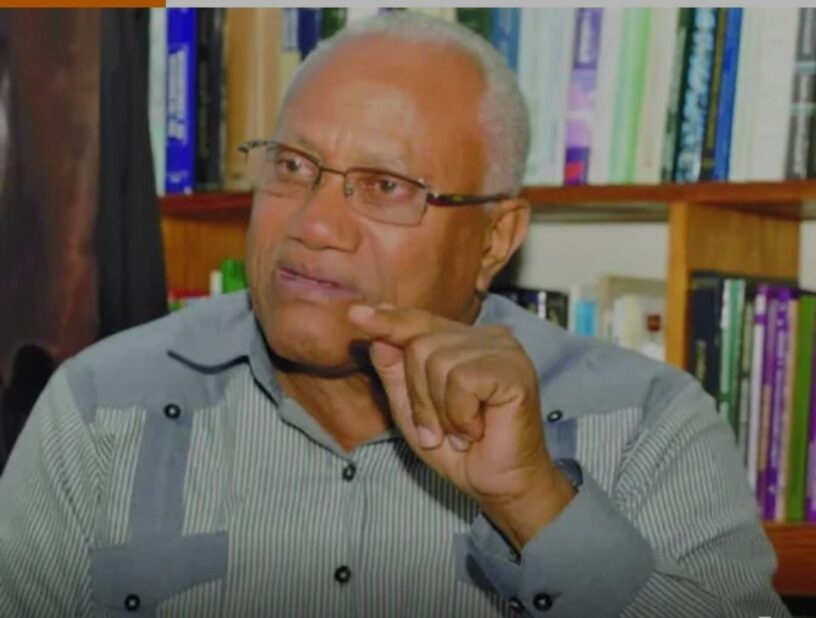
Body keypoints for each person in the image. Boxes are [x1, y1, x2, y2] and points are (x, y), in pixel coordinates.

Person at [0, 11, 789, 618]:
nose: (314, 223)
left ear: (494, 239)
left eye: (385, 187)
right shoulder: (102, 407)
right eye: (293, 166)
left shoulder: (649, 426)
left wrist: (536, 504)